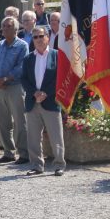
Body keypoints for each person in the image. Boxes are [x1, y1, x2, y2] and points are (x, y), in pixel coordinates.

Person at [21, 26, 65, 177]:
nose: (39, 40)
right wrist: (34, 93)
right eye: (35, 37)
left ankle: (59, 164)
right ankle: (36, 165)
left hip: (51, 102)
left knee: (56, 136)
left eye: (41, 36)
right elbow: (24, 79)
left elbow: (60, 78)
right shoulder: (28, 58)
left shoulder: (56, 55)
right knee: (33, 137)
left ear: (47, 37)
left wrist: (46, 93)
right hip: (33, 102)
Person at [0, 16, 30, 164]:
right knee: (3, 121)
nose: (5, 29)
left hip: (15, 87)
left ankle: (24, 153)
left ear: (15, 29)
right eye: (4, 26)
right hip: (0, 88)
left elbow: (21, 66)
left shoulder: (22, 45)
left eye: (9, 26)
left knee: (20, 121)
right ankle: (8, 152)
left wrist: (6, 79)